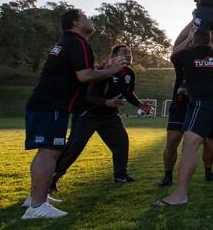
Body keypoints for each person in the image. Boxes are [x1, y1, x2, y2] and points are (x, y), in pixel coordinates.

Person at [22, 9, 126, 219]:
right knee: (49, 152)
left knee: (47, 151)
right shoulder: (78, 42)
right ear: (77, 22)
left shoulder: (66, 43)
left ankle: (35, 197)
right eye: (86, 16)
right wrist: (111, 71)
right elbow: (85, 75)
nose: (90, 20)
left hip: (45, 103)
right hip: (51, 105)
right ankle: (37, 207)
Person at [50, 45, 153, 194]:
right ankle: (52, 179)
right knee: (74, 147)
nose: (128, 55)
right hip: (88, 115)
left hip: (110, 116)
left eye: (130, 53)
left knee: (121, 143)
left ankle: (120, 176)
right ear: (114, 56)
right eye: (124, 52)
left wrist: (140, 104)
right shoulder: (102, 71)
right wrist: (107, 102)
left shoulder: (129, 73)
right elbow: (90, 95)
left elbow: (129, 92)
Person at [154, 29, 213, 207]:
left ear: (192, 41)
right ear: (211, 41)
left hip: (203, 104)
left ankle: (180, 194)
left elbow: (173, 53)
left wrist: (188, 38)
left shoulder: (187, 56)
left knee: (189, 145)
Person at [158, 24, 213, 187]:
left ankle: (208, 172)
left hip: (201, 105)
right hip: (180, 105)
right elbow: (176, 48)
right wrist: (192, 25)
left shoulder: (209, 59)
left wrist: (212, 28)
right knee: (172, 141)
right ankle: (167, 176)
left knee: (208, 142)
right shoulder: (183, 57)